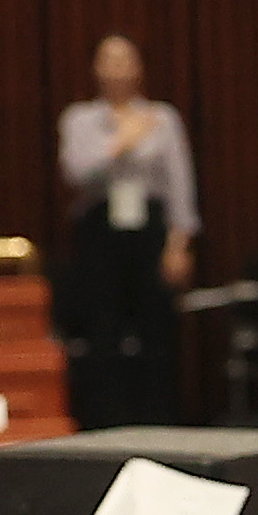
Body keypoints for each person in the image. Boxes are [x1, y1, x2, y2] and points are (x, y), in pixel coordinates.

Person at [46, 36, 197, 429]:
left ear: (139, 68)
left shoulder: (162, 119)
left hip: (150, 230)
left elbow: (180, 185)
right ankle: (106, 422)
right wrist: (119, 143)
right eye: (108, 61)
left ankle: (160, 422)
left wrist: (178, 244)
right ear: (96, 69)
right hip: (99, 230)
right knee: (103, 330)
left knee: (157, 332)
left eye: (125, 61)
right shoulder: (79, 119)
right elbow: (75, 172)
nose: (117, 70)